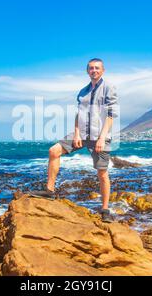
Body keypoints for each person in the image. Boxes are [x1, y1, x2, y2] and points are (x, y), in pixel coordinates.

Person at [30, 58, 118, 223]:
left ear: (103, 70)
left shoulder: (109, 88)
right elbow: (79, 115)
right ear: (87, 71)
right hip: (82, 134)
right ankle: (49, 191)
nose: (94, 71)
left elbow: (112, 115)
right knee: (54, 151)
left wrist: (101, 138)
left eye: (97, 68)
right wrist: (77, 133)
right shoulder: (82, 92)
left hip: (100, 136)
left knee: (102, 173)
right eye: (91, 68)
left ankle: (105, 209)